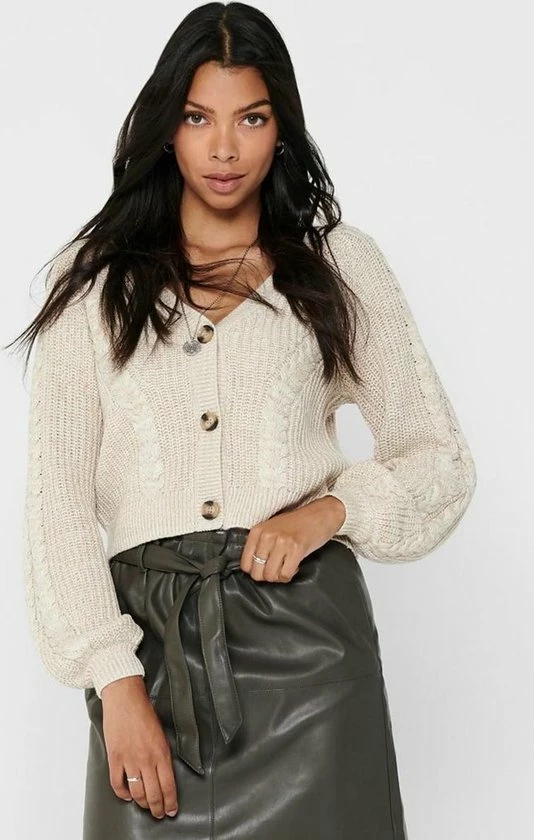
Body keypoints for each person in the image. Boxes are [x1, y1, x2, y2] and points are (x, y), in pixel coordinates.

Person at [11, 2, 477, 838]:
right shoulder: (93, 285)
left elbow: (439, 459)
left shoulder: (340, 266)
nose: (224, 149)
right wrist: (114, 681)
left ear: (282, 127)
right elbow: (58, 511)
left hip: (310, 657)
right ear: (166, 128)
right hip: (150, 656)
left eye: (251, 118)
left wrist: (329, 511)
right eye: (199, 118)